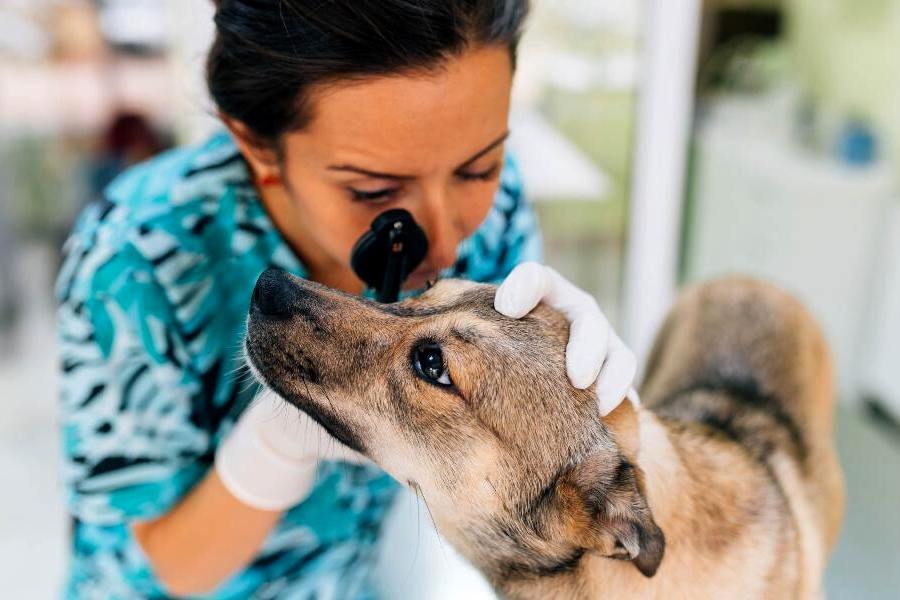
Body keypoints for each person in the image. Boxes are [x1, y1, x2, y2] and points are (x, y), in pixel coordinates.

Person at [55, 1, 636, 598]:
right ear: (256, 145)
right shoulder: (137, 260)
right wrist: (271, 450)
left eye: (478, 167)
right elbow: (165, 570)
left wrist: (588, 417)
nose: (446, 237)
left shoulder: (498, 210)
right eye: (374, 189)